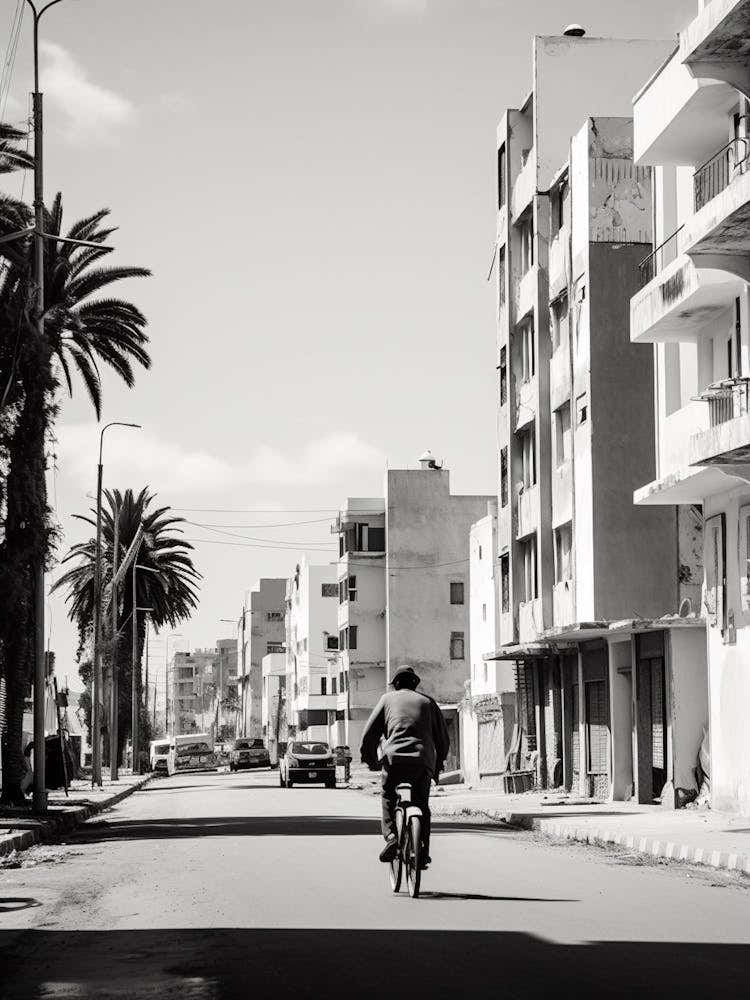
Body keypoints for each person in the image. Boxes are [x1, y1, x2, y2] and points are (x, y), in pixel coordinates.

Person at [360, 664, 450, 869]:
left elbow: (369, 735)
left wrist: (371, 761)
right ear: (415, 685)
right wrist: (437, 767)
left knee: (388, 796)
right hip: (422, 762)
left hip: (394, 761)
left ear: (395, 685)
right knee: (422, 806)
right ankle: (423, 851)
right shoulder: (428, 702)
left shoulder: (386, 699)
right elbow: (443, 740)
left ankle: (391, 836)